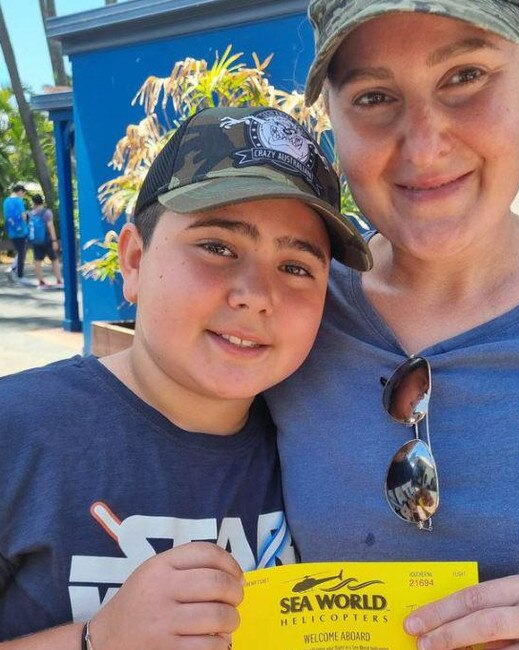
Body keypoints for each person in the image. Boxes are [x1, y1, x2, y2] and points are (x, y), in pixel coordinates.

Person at [266, 1, 519, 648]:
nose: (424, 144)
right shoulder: (289, 309)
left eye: (465, 76)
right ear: (332, 113)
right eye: (375, 95)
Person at [0, 105, 371, 648]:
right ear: (132, 261)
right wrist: (97, 640)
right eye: (217, 247)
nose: (256, 295)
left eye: (296, 267)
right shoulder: (20, 430)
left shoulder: (317, 445)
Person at [28, 193, 64, 289]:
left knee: (37, 261)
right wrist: (54, 240)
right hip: (47, 240)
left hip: (36, 241)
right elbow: (50, 226)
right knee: (54, 259)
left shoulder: (31, 213)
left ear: (33, 202)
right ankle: (59, 280)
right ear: (41, 201)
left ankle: (41, 282)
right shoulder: (46, 212)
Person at [2, 184, 29, 284]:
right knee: (22, 253)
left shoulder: (6, 201)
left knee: (21, 251)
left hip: (11, 231)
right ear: (20, 191)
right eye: (23, 192)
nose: (23, 194)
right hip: (21, 231)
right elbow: (23, 216)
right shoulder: (18, 201)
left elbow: (6, 216)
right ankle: (20, 276)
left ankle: (12, 268)